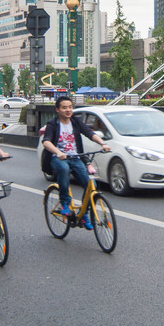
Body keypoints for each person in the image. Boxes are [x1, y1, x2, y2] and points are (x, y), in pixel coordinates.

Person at [40, 96, 110, 230]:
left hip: (75, 157)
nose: (68, 110)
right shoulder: (53, 124)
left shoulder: (76, 122)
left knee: (91, 185)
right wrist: (58, 152)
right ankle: (65, 203)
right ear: (58, 110)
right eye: (64, 107)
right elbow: (46, 141)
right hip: (58, 158)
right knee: (64, 169)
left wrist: (102, 143)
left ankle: (83, 213)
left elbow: (89, 133)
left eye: (70, 107)